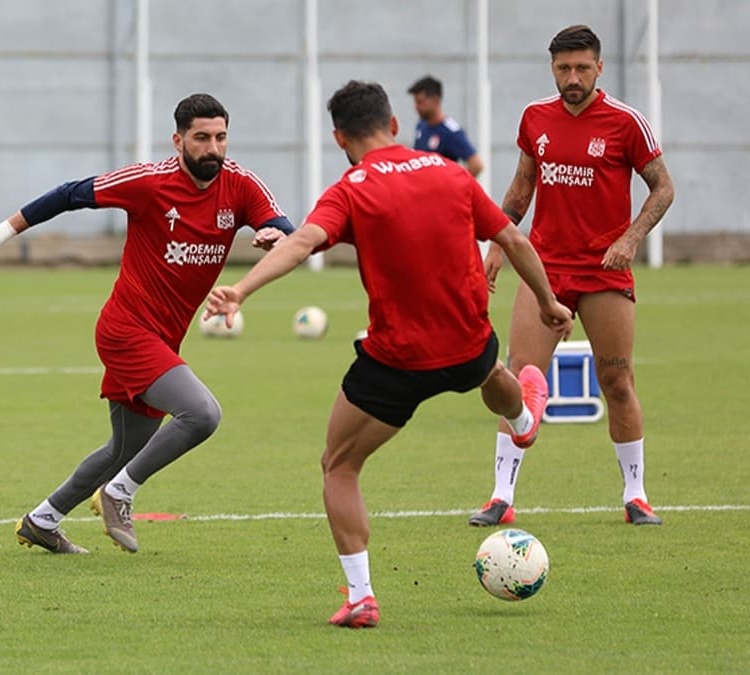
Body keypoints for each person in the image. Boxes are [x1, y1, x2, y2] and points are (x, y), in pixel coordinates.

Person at [204, 81, 573, 628]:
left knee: (339, 465)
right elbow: (514, 241)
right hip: (467, 343)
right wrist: (548, 302)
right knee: (488, 367)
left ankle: (361, 597)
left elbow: (302, 243)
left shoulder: (351, 189)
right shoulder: (451, 174)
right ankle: (522, 420)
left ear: (339, 138)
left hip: (397, 361)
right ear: (395, 125)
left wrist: (240, 290)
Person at [0, 93, 295, 554]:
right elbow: (69, 194)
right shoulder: (149, 182)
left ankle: (42, 520)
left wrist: (277, 233)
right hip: (126, 331)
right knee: (202, 414)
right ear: (177, 140)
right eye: (201, 138)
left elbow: (285, 228)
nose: (213, 148)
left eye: (220, 137)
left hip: (165, 339)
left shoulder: (240, 185)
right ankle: (119, 492)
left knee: (124, 449)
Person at [468, 24, 675, 528]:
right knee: (519, 378)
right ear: (553, 69)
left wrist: (630, 239)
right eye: (564, 68)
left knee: (617, 380)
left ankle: (636, 496)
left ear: (599, 67)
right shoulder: (535, 117)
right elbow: (521, 188)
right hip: (544, 269)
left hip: (604, 273)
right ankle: (500, 497)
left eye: (582, 68)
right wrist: (497, 245)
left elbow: (663, 188)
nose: (573, 77)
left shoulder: (627, 122)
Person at [407, 75, 485, 177]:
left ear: (435, 100)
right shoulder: (421, 125)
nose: (416, 107)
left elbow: (476, 165)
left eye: (420, 102)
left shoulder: (451, 132)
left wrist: (453, 184)